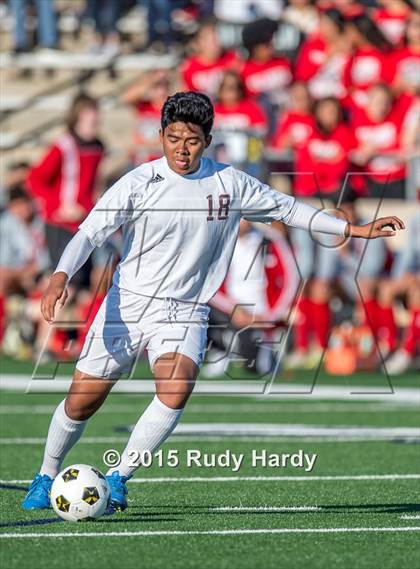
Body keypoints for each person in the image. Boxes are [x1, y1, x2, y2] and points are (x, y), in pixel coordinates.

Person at [21, 91, 404, 513]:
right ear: (161, 135)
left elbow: (290, 209)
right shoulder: (137, 181)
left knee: (177, 386)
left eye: (191, 140)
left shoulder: (230, 183)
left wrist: (354, 230)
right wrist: (61, 275)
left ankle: (118, 478)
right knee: (82, 400)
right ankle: (45, 473)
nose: (181, 149)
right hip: (127, 304)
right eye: (173, 138)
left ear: (207, 140)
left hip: (185, 309)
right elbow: (89, 233)